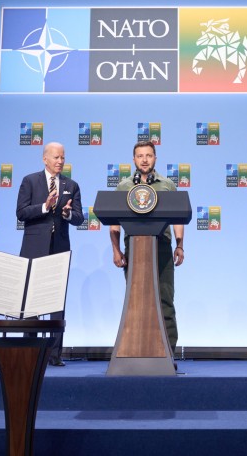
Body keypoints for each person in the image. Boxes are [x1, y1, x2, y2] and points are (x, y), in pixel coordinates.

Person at [110, 141, 184, 352]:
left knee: (165, 298)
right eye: (140, 156)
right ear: (134, 159)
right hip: (134, 248)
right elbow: (113, 223)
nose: (144, 160)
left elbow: (178, 219)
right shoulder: (123, 186)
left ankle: (168, 352)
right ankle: (135, 350)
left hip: (162, 247)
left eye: (149, 155)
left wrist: (180, 245)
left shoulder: (167, 185)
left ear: (155, 158)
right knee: (135, 301)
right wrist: (116, 250)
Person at [16, 142, 83, 366]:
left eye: (63, 157)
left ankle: (54, 354)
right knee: (31, 303)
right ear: (45, 159)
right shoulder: (29, 181)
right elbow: (21, 212)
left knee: (56, 304)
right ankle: (31, 352)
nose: (60, 161)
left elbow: (79, 218)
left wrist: (67, 214)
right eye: (56, 157)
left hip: (59, 249)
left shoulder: (71, 185)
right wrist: (44, 207)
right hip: (34, 248)